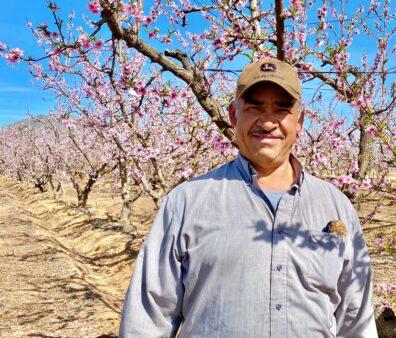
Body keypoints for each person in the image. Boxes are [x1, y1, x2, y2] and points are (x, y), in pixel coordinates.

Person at [119, 58, 378, 337]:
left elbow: (356, 320)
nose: (267, 122)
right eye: (254, 107)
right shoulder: (185, 202)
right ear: (233, 115)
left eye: (282, 109)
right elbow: (148, 318)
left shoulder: (336, 206)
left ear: (299, 121)